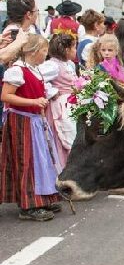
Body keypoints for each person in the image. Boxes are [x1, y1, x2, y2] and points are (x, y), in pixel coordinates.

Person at [0, 34, 61, 221]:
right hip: (21, 121)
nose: (46, 54)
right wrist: (33, 101)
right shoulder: (17, 71)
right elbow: (6, 96)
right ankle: (28, 205)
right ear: (34, 52)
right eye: (44, 51)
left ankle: (42, 197)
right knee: (26, 161)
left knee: (40, 160)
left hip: (34, 120)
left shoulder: (33, 69)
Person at [40, 34, 79, 169]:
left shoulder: (69, 64)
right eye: (74, 47)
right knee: (60, 136)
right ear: (67, 50)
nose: (76, 51)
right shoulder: (53, 65)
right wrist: (52, 91)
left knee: (72, 133)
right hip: (59, 106)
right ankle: (59, 167)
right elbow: (38, 78)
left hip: (70, 103)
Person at [0, 0, 41, 66]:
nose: (37, 13)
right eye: (36, 10)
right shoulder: (13, 33)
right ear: (29, 14)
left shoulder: (22, 30)